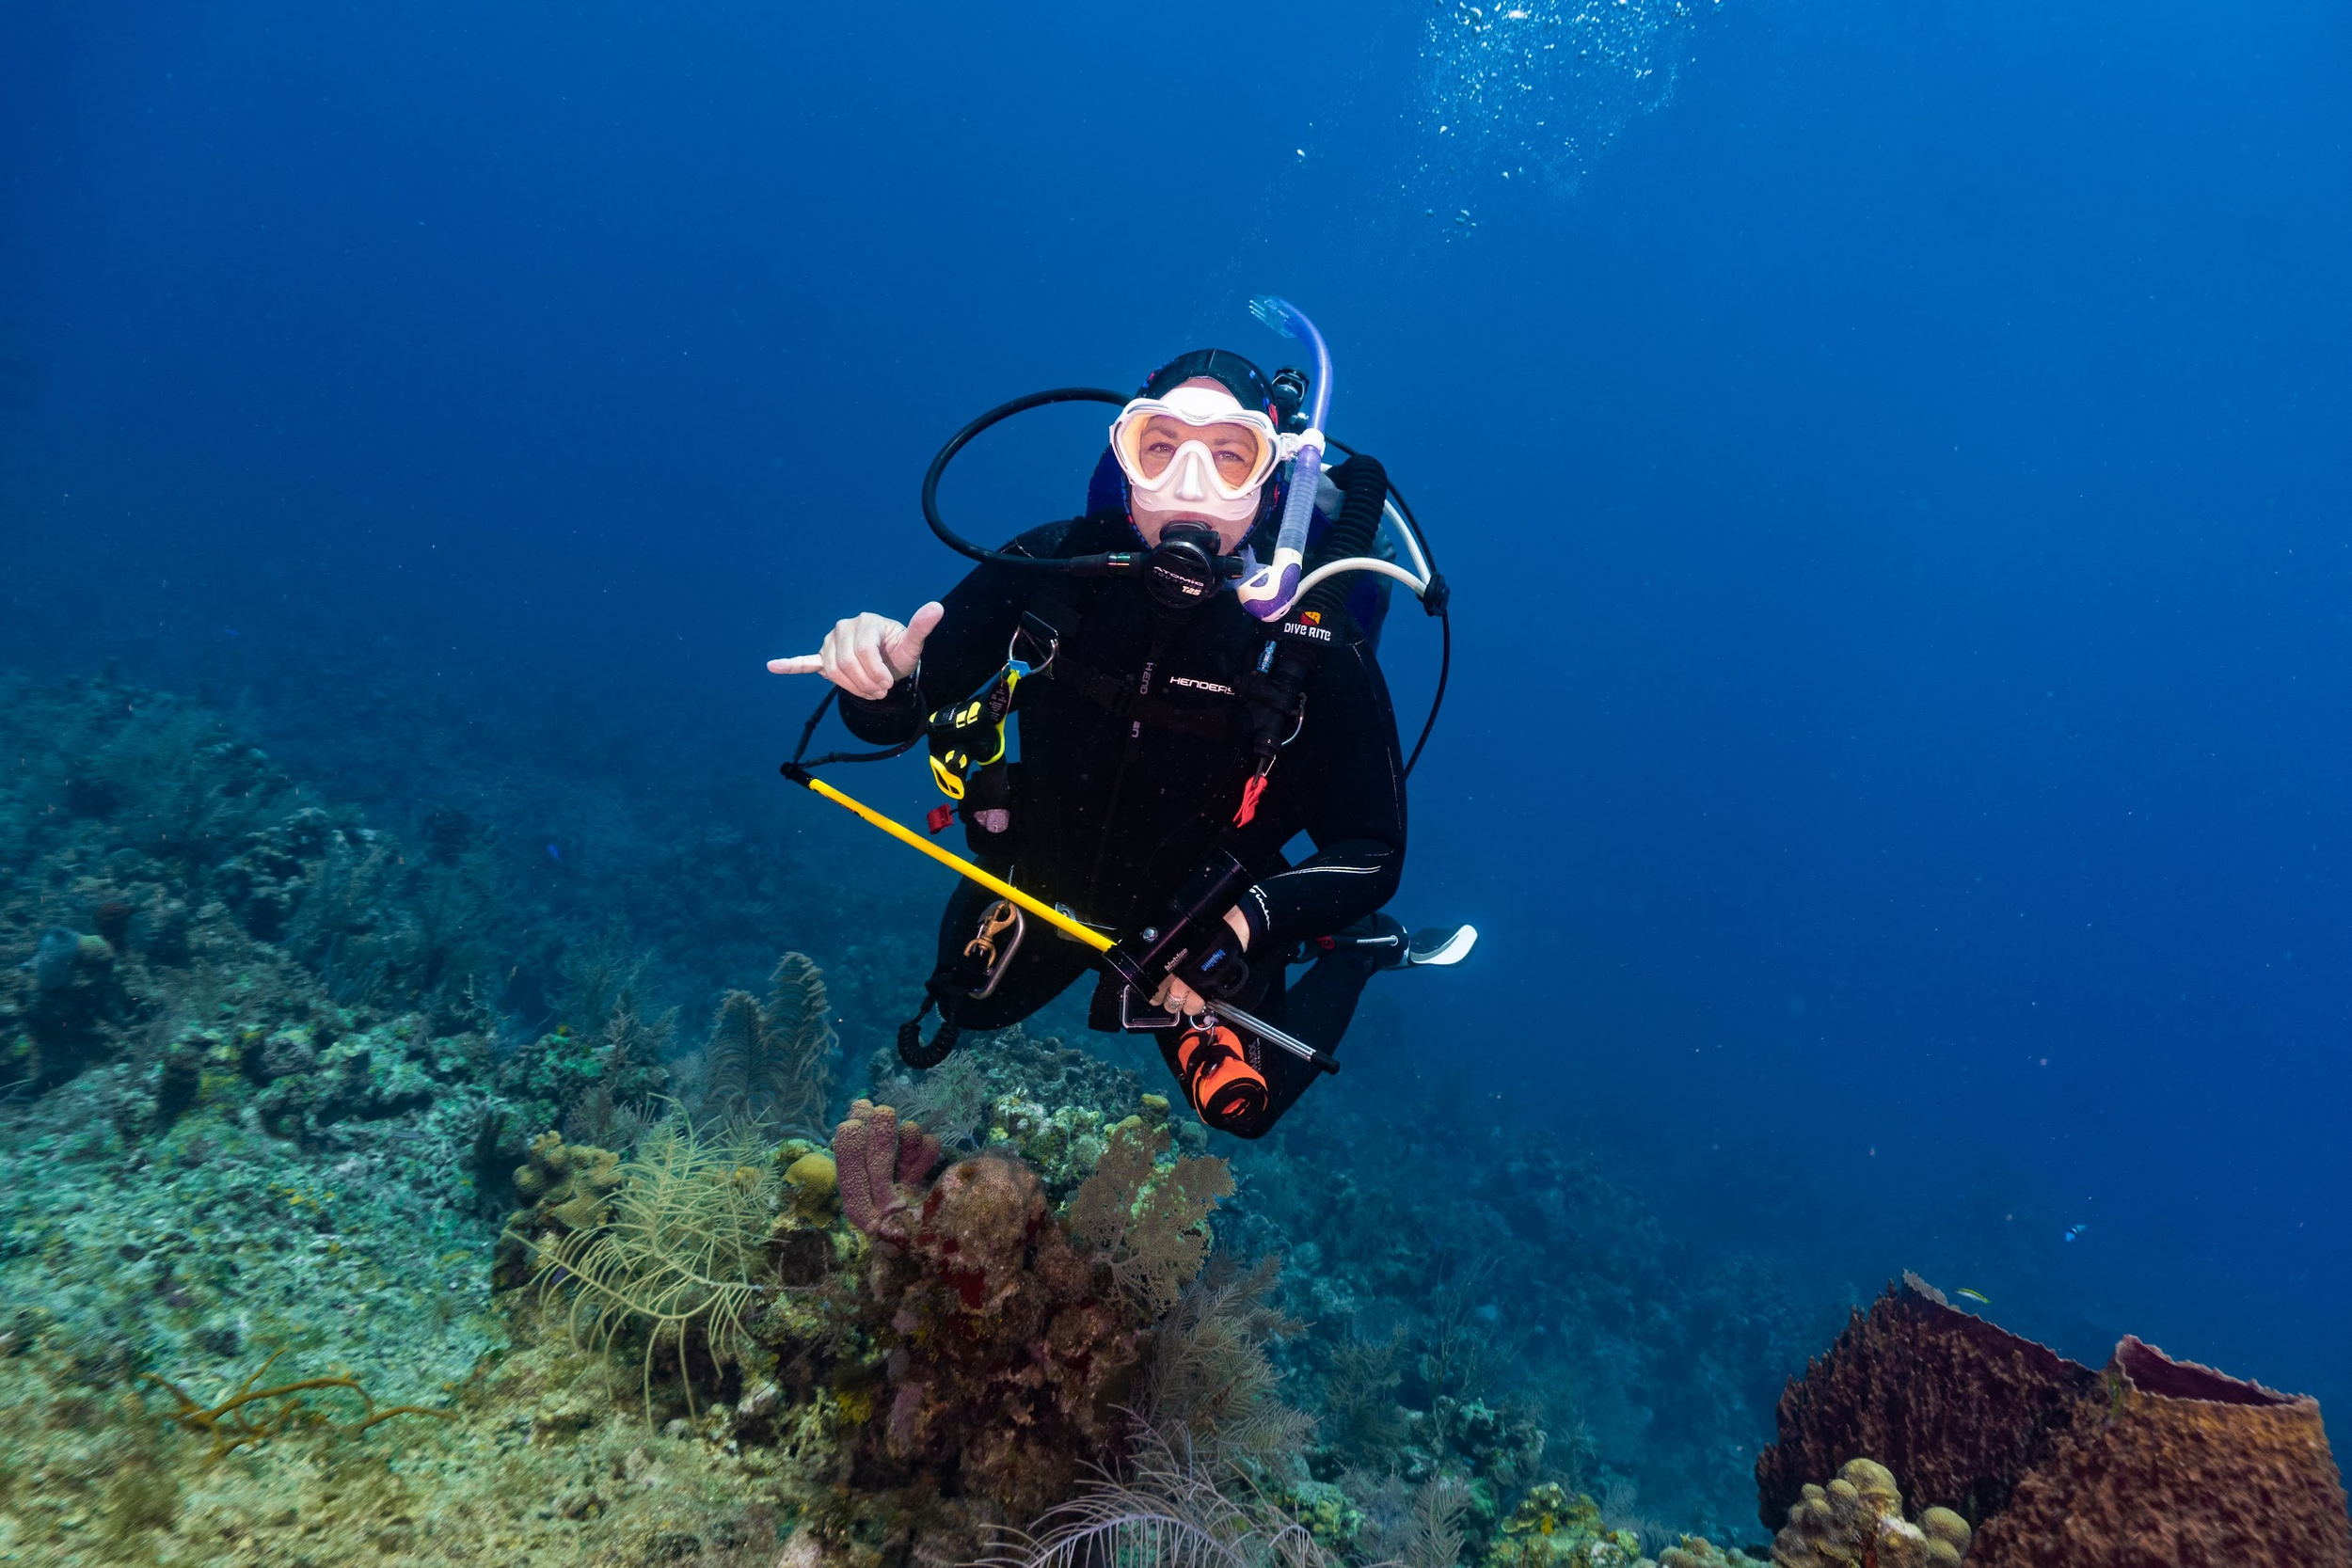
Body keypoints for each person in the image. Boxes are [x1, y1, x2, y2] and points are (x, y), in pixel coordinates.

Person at [770, 348, 1462, 1137]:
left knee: (1242, 1107)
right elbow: (897, 716)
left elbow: (1372, 847)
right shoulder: (1051, 566)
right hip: (1045, 875)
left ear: (1272, 482)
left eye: (1229, 455)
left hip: (1202, 921)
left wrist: (1247, 926)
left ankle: (1357, 951)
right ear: (1123, 459)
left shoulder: (1313, 640)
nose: (1190, 482)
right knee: (964, 1007)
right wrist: (877, 683)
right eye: (1159, 447)